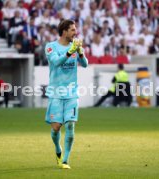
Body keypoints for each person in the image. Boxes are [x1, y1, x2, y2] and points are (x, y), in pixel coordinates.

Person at [44, 19, 88, 169]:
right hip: (56, 93)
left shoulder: (75, 47)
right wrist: (70, 52)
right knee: (56, 127)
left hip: (71, 93)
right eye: (73, 30)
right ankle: (58, 149)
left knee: (70, 125)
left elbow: (85, 64)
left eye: (75, 30)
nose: (75, 33)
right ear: (64, 32)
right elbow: (56, 62)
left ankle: (65, 160)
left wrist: (80, 52)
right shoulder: (51, 47)